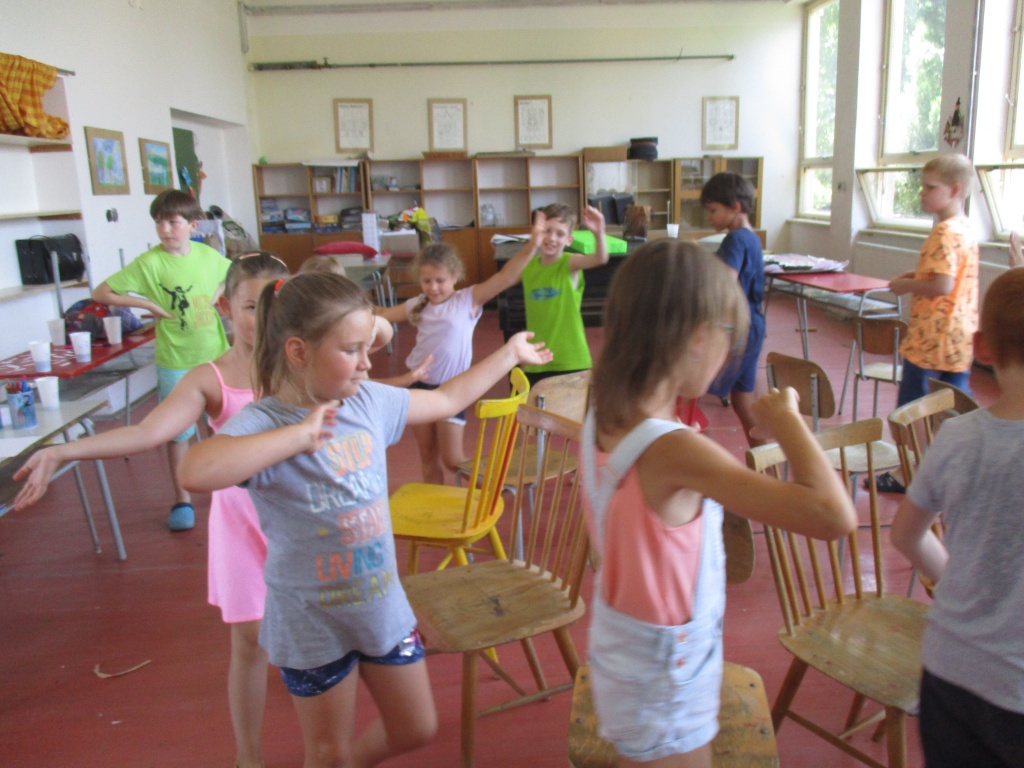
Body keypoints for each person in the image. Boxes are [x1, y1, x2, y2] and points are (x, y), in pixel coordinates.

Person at [176, 272, 551, 768]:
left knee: (416, 727)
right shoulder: (266, 422)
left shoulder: (368, 400)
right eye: (352, 350)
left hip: (380, 608)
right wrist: (298, 438)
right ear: (298, 351)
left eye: (367, 346)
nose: (368, 362)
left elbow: (446, 400)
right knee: (326, 751)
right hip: (312, 624)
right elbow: (196, 470)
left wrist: (509, 354)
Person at [582, 240, 856, 767]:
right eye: (728, 336)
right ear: (697, 338)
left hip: (626, 653)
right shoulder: (675, 451)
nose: (729, 354)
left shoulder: (604, 409)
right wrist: (788, 422)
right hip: (665, 680)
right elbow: (834, 516)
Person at [13, 253, 292, 768]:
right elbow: (148, 431)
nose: (266, 318)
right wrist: (63, 449)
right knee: (252, 641)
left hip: (298, 520)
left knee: (316, 636)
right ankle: (249, 757)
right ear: (225, 307)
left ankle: (323, 740)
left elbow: (371, 338)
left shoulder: (302, 362)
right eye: (252, 306)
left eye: (277, 303)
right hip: (242, 524)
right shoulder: (210, 378)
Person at [890, 267, 1024, 768]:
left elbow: (906, 535)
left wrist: (955, 580)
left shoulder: (957, 437)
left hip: (949, 667)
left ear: (981, 347)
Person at [92, 189, 231, 532]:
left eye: (173, 222)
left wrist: (219, 293)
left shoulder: (208, 255)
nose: (165, 229)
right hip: (175, 360)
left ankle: (225, 483)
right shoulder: (150, 263)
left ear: (193, 225)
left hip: (215, 355)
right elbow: (101, 292)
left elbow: (234, 276)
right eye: (159, 222)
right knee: (177, 432)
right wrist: (147, 305)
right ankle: (182, 499)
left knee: (222, 425)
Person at [374, 240, 534, 483]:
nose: (433, 287)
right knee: (428, 455)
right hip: (418, 385)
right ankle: (434, 501)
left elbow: (506, 277)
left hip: (453, 388)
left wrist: (533, 244)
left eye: (440, 280)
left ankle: (489, 492)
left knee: (453, 460)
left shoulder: (467, 300)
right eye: (427, 281)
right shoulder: (417, 304)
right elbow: (383, 315)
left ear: (455, 276)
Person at [889, 154, 979, 406]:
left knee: (913, 410)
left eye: (930, 187)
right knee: (955, 405)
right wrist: (916, 276)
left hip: (931, 340)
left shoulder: (944, 232)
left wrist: (906, 286)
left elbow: (943, 285)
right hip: (958, 338)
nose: (922, 193)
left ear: (955, 190)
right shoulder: (965, 228)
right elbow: (951, 276)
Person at [699, 171, 766, 447]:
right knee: (741, 399)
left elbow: (724, 285)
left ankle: (700, 459)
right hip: (754, 326)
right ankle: (766, 460)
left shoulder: (735, 240)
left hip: (737, 328)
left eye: (713, 210)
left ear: (735, 207)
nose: (709, 217)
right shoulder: (752, 238)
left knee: (693, 390)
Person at [300, 253, 433, 390]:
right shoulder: (319, 337)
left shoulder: (347, 325)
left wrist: (374, 326)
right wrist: (407, 379)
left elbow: (385, 331)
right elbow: (363, 387)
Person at [519, 202, 609, 388]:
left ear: (569, 240)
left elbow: (600, 258)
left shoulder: (570, 264)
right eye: (547, 230)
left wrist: (599, 233)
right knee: (536, 406)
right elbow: (504, 277)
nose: (552, 238)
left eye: (560, 234)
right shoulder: (527, 267)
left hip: (571, 360)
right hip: (537, 359)